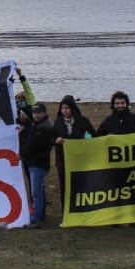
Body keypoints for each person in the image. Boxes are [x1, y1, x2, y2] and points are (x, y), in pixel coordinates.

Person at [52, 95, 94, 225]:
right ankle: (66, 213)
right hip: (63, 160)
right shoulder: (58, 122)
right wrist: (56, 140)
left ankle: (83, 212)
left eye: (67, 108)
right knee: (65, 186)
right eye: (63, 108)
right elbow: (52, 137)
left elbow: (92, 135)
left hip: (80, 160)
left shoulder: (82, 121)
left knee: (81, 185)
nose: (65, 110)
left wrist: (86, 139)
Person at [19, 102, 55, 227]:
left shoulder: (43, 128)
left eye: (39, 112)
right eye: (34, 112)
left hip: (37, 163)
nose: (36, 115)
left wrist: (21, 153)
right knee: (40, 189)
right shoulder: (39, 125)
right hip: (38, 162)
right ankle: (40, 214)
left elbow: (32, 146)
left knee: (36, 192)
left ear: (44, 112)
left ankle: (35, 218)